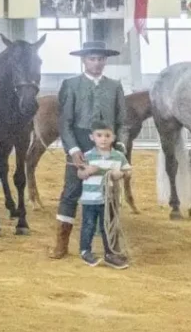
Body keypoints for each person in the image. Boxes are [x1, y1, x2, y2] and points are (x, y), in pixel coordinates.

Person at [49, 41, 129, 260]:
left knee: (109, 193)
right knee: (71, 191)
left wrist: (119, 147)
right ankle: (61, 243)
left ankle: (111, 244)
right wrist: (73, 149)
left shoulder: (114, 86)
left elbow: (122, 122)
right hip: (80, 142)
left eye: (101, 59)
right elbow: (64, 123)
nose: (97, 63)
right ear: (84, 60)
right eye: (92, 59)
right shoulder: (71, 85)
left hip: (107, 145)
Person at [76, 122, 131, 269]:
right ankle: (85, 250)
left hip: (109, 199)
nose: (103, 139)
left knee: (108, 227)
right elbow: (80, 174)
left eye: (107, 136)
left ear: (113, 138)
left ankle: (110, 253)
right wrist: (87, 172)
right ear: (92, 137)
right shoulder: (87, 156)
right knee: (88, 225)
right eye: (99, 135)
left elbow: (128, 171)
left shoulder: (118, 156)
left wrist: (121, 174)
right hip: (90, 199)